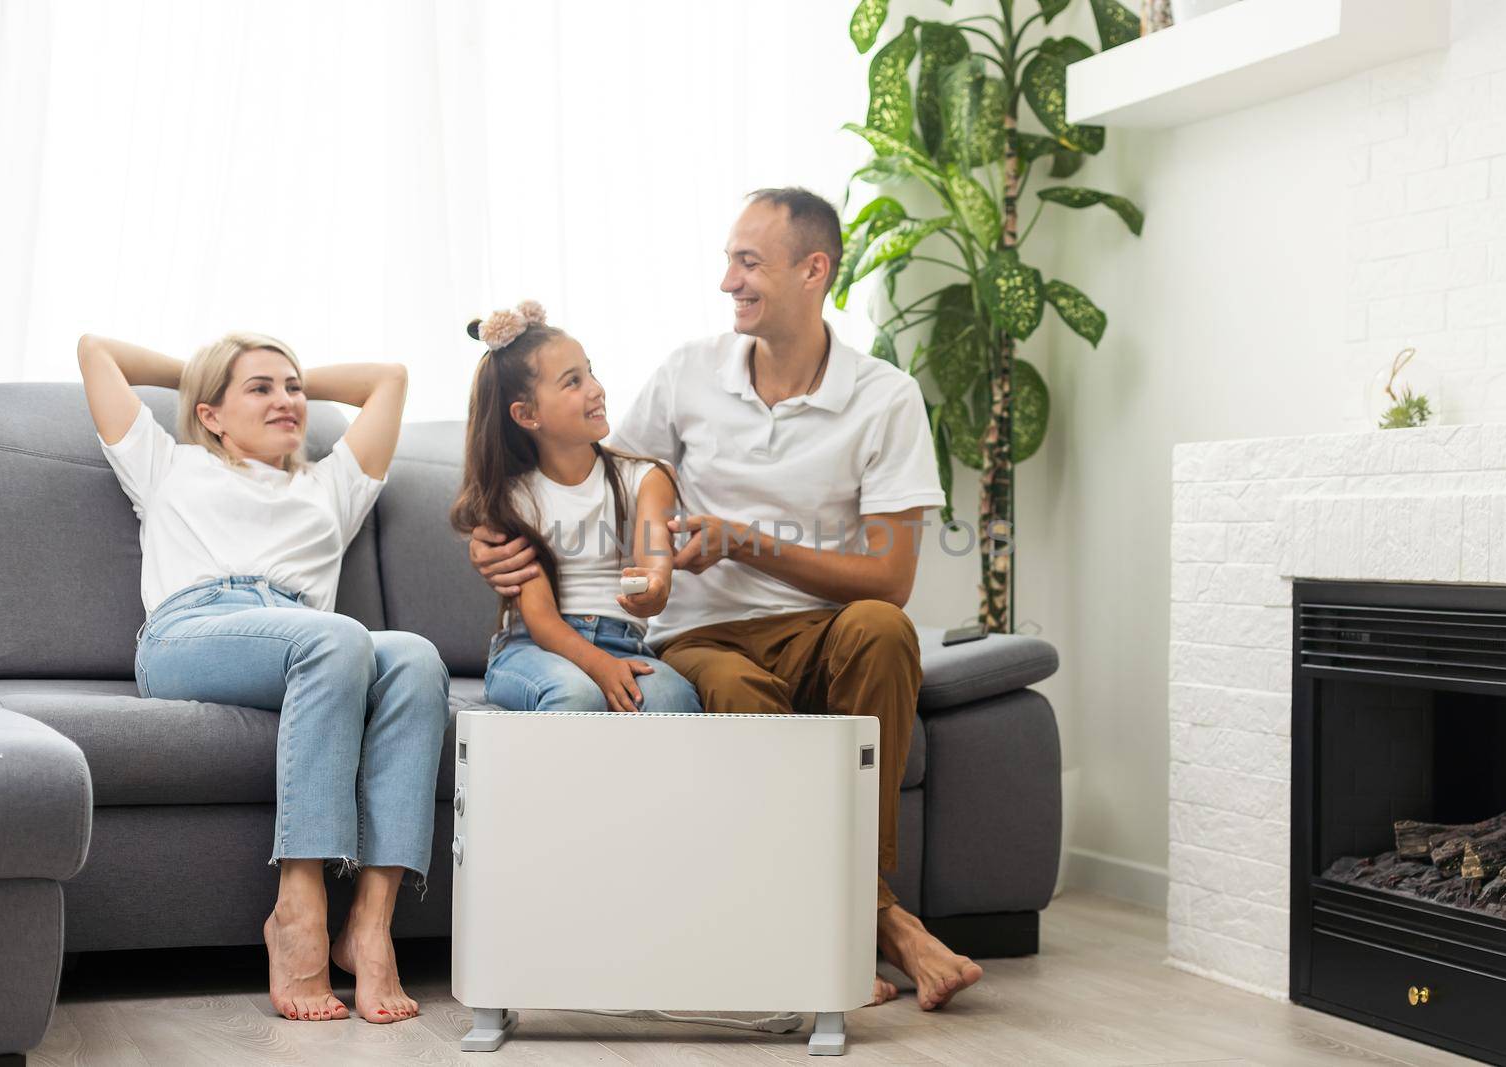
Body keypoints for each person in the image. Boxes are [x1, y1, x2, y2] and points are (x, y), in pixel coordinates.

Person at [467, 188, 984, 1010]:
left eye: (748, 262)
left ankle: (859, 907)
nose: (727, 282)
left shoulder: (883, 397)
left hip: (826, 629)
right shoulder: (687, 373)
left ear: (813, 271)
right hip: (705, 633)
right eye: (728, 260)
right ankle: (879, 924)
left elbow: (891, 579)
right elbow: (608, 474)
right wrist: (502, 540)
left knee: (886, 630)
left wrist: (743, 538)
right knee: (736, 695)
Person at [78, 332, 449, 1025]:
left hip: (308, 638)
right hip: (192, 630)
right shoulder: (168, 462)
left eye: (294, 387)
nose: (287, 399)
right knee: (337, 638)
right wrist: (200, 373)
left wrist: (274, 372)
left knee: (416, 659)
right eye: (261, 388)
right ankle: (298, 906)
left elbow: (389, 377)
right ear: (210, 413)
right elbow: (95, 350)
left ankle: (369, 925)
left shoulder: (328, 484)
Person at [450, 302, 700, 714]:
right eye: (573, 382)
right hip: (532, 647)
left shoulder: (646, 477)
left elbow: (656, 562)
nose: (596, 388)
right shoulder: (512, 500)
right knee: (576, 695)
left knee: (672, 698)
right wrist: (601, 666)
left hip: (624, 641)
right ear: (527, 414)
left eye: (591, 371)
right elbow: (542, 620)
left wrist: (655, 589)